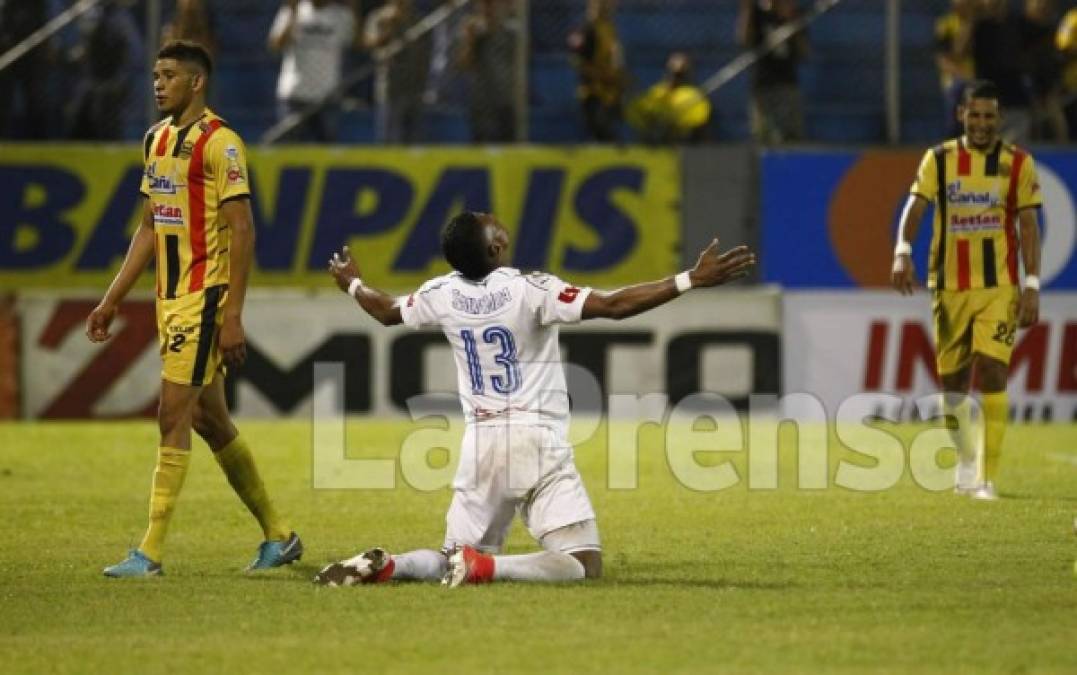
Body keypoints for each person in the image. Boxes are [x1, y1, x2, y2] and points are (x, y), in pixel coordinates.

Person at [315, 213, 755, 587]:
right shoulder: (532, 289)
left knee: (449, 555)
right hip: (534, 438)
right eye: (491, 225)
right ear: (494, 250)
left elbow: (387, 311)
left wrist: (353, 284)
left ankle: (394, 564)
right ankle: (487, 567)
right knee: (583, 562)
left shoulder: (441, 293)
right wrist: (689, 279)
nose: (497, 222)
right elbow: (614, 305)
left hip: (480, 445)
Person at [86, 41, 302, 577]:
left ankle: (150, 552)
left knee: (171, 415)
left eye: (168, 76)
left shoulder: (220, 142)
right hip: (169, 298)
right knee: (210, 419)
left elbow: (243, 228)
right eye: (155, 75)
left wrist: (232, 313)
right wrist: (112, 298)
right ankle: (280, 535)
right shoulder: (155, 140)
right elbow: (149, 226)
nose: (157, 84)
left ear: (196, 82)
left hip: (205, 297)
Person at [891, 80, 1041, 501]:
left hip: (999, 287)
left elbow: (1028, 226)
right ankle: (965, 460)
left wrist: (1031, 285)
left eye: (989, 116)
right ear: (961, 116)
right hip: (949, 287)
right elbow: (916, 207)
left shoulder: (1019, 164)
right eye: (974, 115)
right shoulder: (938, 160)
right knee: (953, 386)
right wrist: (902, 250)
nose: (981, 123)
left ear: (1000, 119)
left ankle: (987, 478)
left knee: (993, 371)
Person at [268, 0, 361, 143]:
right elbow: (276, 45)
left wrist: (354, 9)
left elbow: (356, 44)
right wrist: (292, 13)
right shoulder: (293, 10)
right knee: (291, 151)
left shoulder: (342, 15)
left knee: (325, 152)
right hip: (295, 94)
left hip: (327, 96)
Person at [737, 0, 806, 144]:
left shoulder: (794, 14)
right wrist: (747, 9)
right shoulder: (757, 13)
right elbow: (744, 40)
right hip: (762, 83)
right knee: (763, 136)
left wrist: (792, 22)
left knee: (791, 135)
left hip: (787, 82)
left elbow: (804, 51)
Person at [364, 0, 430, 143]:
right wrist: (388, 28)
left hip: (415, 87)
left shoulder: (418, 20)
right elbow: (369, 45)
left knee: (414, 139)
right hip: (390, 88)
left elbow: (424, 54)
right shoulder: (378, 17)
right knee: (389, 139)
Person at [458, 0, 518, 143]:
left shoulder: (511, 31)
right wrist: (469, 40)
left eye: (492, 4)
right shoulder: (473, 31)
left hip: (505, 96)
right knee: (480, 140)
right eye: (485, 4)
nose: (488, 8)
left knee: (508, 142)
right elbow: (464, 64)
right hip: (482, 99)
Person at [568, 0, 626, 142]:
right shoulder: (588, 29)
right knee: (601, 132)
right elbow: (578, 61)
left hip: (610, 92)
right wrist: (600, 75)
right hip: (593, 92)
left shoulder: (609, 28)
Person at [625, 51, 712, 144]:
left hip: (683, 141)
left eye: (680, 74)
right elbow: (638, 113)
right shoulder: (657, 92)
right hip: (655, 141)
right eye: (673, 73)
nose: (675, 78)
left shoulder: (693, 96)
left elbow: (697, 120)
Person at [934, 0, 976, 139]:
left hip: (976, 79)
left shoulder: (979, 24)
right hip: (954, 80)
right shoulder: (946, 25)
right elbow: (947, 57)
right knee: (955, 120)